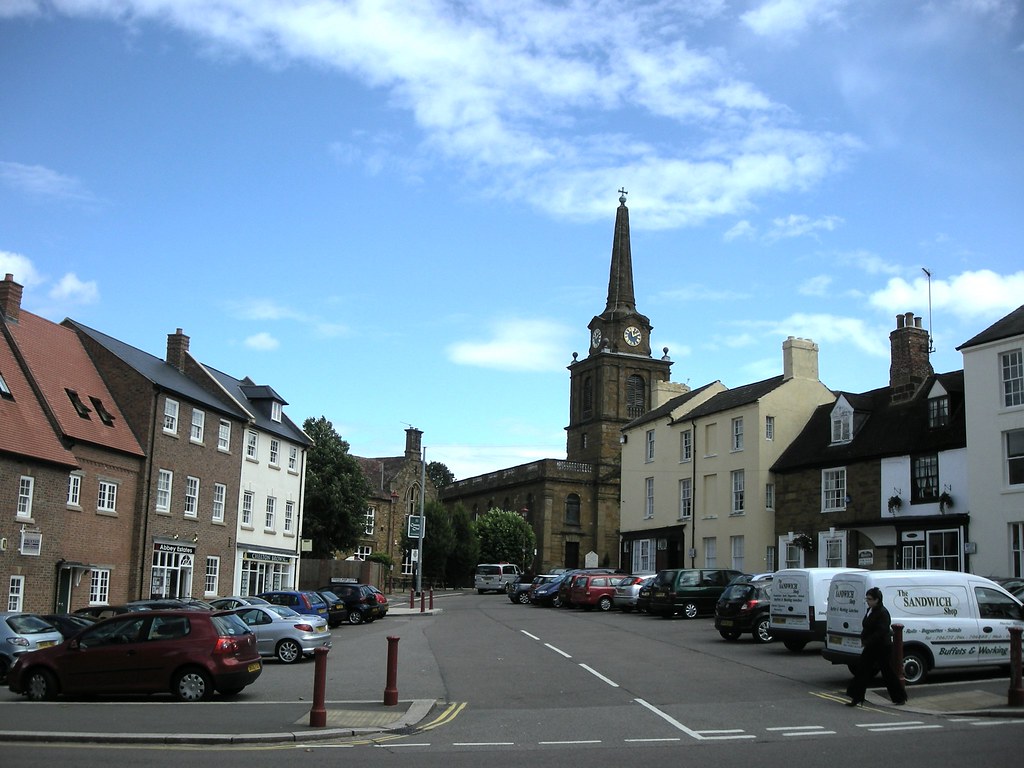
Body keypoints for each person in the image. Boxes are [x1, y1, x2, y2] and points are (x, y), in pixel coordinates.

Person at [846, 587, 908, 706]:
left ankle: (899, 697)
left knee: (887, 672)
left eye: (870, 599)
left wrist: (868, 640)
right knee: (862, 670)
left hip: (882, 647)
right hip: (871, 646)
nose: (867, 601)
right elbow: (867, 626)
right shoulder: (871, 610)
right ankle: (856, 697)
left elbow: (882, 631)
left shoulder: (883, 613)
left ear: (877, 600)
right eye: (867, 599)